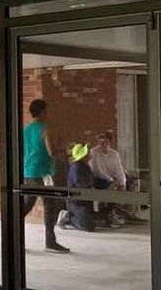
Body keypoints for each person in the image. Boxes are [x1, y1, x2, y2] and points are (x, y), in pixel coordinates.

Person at [21, 98, 69, 253]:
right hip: (43, 172)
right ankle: (50, 242)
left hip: (28, 171)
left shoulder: (25, 130)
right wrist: (63, 149)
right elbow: (51, 152)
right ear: (42, 111)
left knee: (28, 204)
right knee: (50, 206)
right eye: (46, 110)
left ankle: (14, 236)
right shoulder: (44, 128)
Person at [62, 142, 101, 233]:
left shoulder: (86, 167)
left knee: (95, 220)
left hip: (85, 202)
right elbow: (82, 186)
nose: (90, 155)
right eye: (88, 154)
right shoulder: (77, 168)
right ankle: (68, 218)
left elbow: (93, 181)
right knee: (88, 226)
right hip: (76, 202)